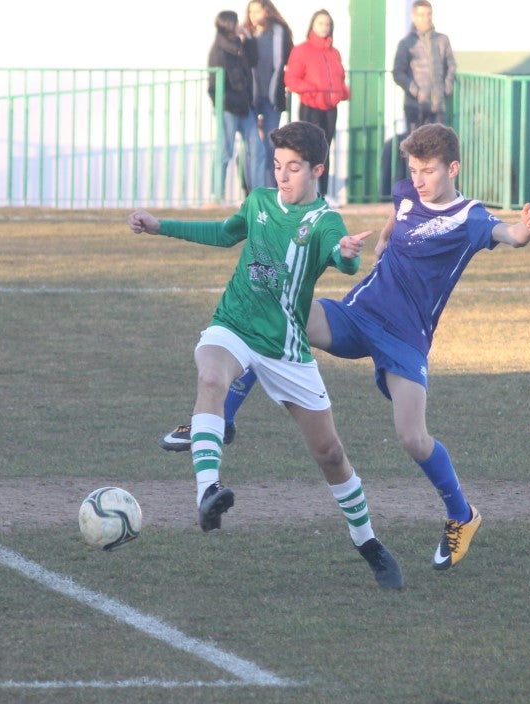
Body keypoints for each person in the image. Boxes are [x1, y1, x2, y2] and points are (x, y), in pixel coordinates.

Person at [161, 123, 530, 572]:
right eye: (414, 169)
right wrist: (382, 243)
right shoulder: (406, 192)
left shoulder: (471, 217)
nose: (419, 179)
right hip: (358, 313)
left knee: (411, 437)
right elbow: (396, 218)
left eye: (428, 171)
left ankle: (462, 515)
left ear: (453, 168)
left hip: (405, 338)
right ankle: (219, 420)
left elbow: (512, 235)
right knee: (279, 314)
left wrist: (529, 225)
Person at [129, 121, 403, 590]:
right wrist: (160, 228)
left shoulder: (324, 222)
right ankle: (207, 492)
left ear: (318, 169)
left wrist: (347, 253)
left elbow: (344, 257)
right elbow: (223, 233)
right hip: (233, 324)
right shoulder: (258, 202)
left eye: (293, 168)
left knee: (331, 454)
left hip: (285, 348)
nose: (281, 175)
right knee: (212, 380)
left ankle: (368, 542)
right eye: (277, 166)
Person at [284, 9, 349, 200]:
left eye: (327, 24)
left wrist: (342, 92)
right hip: (310, 107)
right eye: (320, 23)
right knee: (308, 151)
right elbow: (291, 79)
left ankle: (325, 193)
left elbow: (340, 77)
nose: (324, 27)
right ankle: (306, 193)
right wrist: (312, 89)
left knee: (326, 149)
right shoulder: (301, 50)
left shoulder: (334, 52)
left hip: (330, 108)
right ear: (313, 25)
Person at [208, 9, 264, 200]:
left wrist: (248, 39)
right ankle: (217, 193)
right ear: (229, 24)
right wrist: (224, 106)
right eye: (236, 21)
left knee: (258, 149)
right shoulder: (219, 51)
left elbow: (254, 60)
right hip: (229, 109)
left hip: (245, 108)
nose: (239, 24)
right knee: (225, 150)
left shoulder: (239, 45)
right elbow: (214, 86)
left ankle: (258, 194)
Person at [242, 0, 294, 189]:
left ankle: (272, 189)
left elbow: (290, 60)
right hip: (251, 98)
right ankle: (252, 191)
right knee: (253, 147)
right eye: (251, 11)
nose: (255, 15)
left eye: (258, 10)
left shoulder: (280, 32)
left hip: (273, 96)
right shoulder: (245, 34)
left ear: (268, 11)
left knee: (271, 145)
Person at [392, 0, 458, 133]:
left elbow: (451, 65)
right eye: (421, 15)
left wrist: (447, 87)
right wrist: (415, 91)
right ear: (414, 16)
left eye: (428, 14)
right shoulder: (406, 44)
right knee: (417, 149)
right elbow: (398, 73)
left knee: (438, 149)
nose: (426, 18)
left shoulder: (442, 40)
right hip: (415, 107)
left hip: (438, 106)